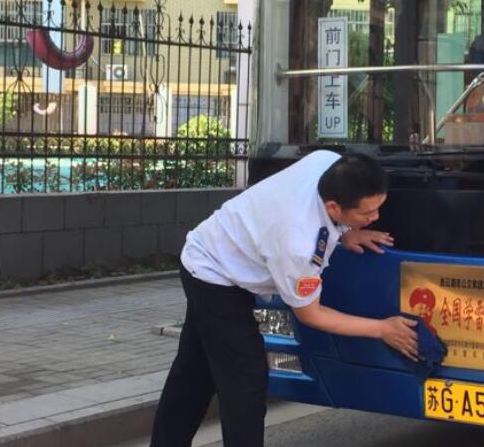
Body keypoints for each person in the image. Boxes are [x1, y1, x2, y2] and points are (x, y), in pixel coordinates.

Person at [150, 151, 419, 447]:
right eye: (366, 213)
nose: (375, 218)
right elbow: (311, 315)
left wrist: (343, 233)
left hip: (220, 249)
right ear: (334, 206)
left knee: (195, 373)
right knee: (246, 379)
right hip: (215, 274)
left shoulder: (327, 161)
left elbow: (314, 212)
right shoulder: (298, 244)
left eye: (378, 208)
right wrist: (382, 329)